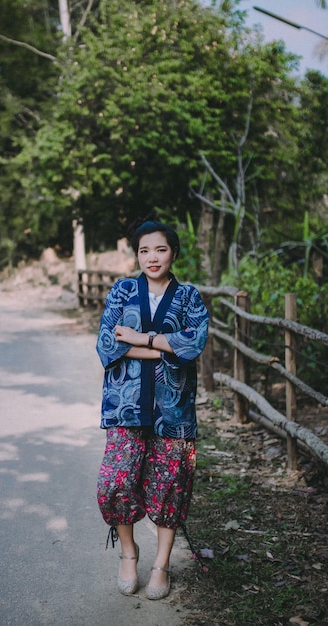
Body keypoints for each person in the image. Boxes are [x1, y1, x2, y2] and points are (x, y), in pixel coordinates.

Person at [96, 219, 209, 600]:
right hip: (125, 406)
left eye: (159, 249)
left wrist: (139, 338)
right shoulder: (123, 290)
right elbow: (106, 346)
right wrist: (163, 345)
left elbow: (192, 347)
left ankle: (161, 565)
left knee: (170, 487)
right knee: (115, 482)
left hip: (174, 411)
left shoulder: (190, 297)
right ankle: (129, 553)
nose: (151, 257)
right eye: (143, 250)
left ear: (173, 252)